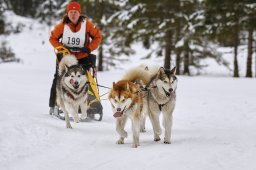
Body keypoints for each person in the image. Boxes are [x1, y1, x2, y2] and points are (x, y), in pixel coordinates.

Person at [49, 1, 102, 115]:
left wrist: (89, 48)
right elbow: (52, 38)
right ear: (67, 13)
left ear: (79, 13)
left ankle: (90, 104)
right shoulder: (62, 25)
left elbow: (98, 37)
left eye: (75, 12)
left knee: (86, 80)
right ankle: (53, 105)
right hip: (66, 57)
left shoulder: (87, 24)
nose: (73, 14)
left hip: (83, 57)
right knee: (58, 79)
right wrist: (62, 48)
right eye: (71, 12)